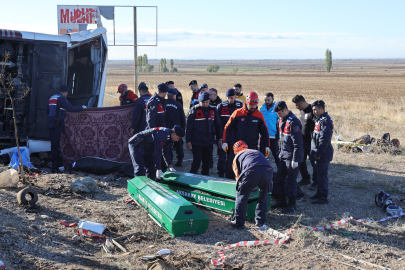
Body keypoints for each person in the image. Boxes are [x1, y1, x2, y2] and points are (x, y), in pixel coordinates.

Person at [222, 91, 270, 179]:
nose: (253, 107)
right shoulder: (238, 113)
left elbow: (265, 132)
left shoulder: (259, 116)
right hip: (237, 148)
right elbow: (227, 127)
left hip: (251, 148)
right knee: (231, 169)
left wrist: (266, 146)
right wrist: (224, 141)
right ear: (246, 103)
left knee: (250, 169)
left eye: (255, 105)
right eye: (251, 105)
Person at [230, 141, 273, 229]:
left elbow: (238, 177)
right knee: (264, 195)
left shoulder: (237, 156)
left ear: (236, 151)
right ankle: (260, 221)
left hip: (251, 170)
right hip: (268, 170)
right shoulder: (256, 151)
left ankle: (239, 223)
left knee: (241, 195)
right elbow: (264, 164)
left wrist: (246, 187)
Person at [270, 101, 304, 213]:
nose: (278, 116)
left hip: (292, 157)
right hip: (283, 156)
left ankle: (292, 204)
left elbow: (298, 144)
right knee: (279, 179)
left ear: (285, 110)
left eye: (279, 113)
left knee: (291, 181)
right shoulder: (281, 120)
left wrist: (295, 159)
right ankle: (282, 200)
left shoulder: (294, 122)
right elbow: (280, 138)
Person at [47, 85, 86, 173]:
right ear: (65, 92)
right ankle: (54, 167)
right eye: (66, 93)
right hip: (56, 124)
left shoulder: (52, 97)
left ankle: (54, 165)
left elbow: (47, 110)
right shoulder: (61, 99)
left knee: (54, 144)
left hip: (50, 122)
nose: (66, 95)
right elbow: (71, 108)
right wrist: (82, 108)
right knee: (56, 145)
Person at [186, 92, 223, 175]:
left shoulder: (213, 110)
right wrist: (188, 141)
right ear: (200, 101)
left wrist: (220, 138)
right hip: (197, 140)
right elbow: (189, 127)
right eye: (203, 102)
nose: (205, 104)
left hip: (209, 140)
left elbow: (218, 125)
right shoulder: (194, 110)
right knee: (197, 161)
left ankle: (205, 177)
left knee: (207, 162)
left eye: (207, 102)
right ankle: (192, 177)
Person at [309, 100, 334, 204]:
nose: (314, 111)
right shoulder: (319, 120)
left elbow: (324, 140)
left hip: (323, 154)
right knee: (318, 175)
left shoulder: (325, 121)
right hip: (318, 152)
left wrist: (318, 154)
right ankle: (319, 193)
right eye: (313, 110)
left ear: (322, 109)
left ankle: (323, 197)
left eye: (315, 109)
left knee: (322, 176)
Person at [292, 95, 317, 190]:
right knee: (300, 160)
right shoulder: (301, 111)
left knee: (314, 163)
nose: (296, 107)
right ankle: (305, 178)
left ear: (301, 103)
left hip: (312, 142)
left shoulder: (313, 111)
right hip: (302, 141)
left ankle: (316, 182)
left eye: (296, 105)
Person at [216, 89, 243, 177]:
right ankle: (220, 174)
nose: (230, 100)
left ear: (235, 97)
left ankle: (231, 175)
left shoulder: (240, 106)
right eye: (228, 98)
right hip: (223, 137)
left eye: (232, 98)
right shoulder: (220, 106)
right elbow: (217, 124)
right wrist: (220, 138)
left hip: (235, 137)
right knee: (222, 157)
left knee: (233, 158)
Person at [260, 92, 280, 167]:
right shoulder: (262, 109)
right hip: (263, 137)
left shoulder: (277, 109)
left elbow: (280, 122)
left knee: (276, 156)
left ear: (273, 99)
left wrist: (278, 134)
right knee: (263, 156)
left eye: (268, 100)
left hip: (273, 137)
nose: (267, 102)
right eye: (265, 100)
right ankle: (264, 173)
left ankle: (281, 174)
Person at [166, 91, 186, 167]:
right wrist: (183, 128)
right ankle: (180, 160)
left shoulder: (163, 104)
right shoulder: (178, 105)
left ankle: (169, 161)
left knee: (167, 146)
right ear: (174, 96)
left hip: (166, 129)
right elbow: (183, 118)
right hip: (177, 129)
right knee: (179, 144)